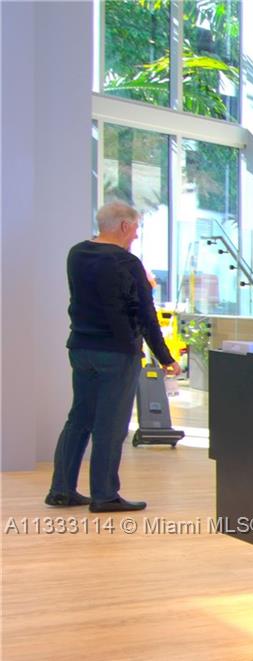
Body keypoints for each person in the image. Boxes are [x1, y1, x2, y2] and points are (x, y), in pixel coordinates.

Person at [46, 201, 181, 513]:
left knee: (79, 418)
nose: (136, 235)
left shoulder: (77, 254)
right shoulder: (127, 262)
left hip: (81, 348)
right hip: (117, 352)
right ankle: (105, 495)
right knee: (111, 425)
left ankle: (61, 490)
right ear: (123, 226)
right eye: (135, 229)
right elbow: (145, 316)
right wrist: (165, 358)